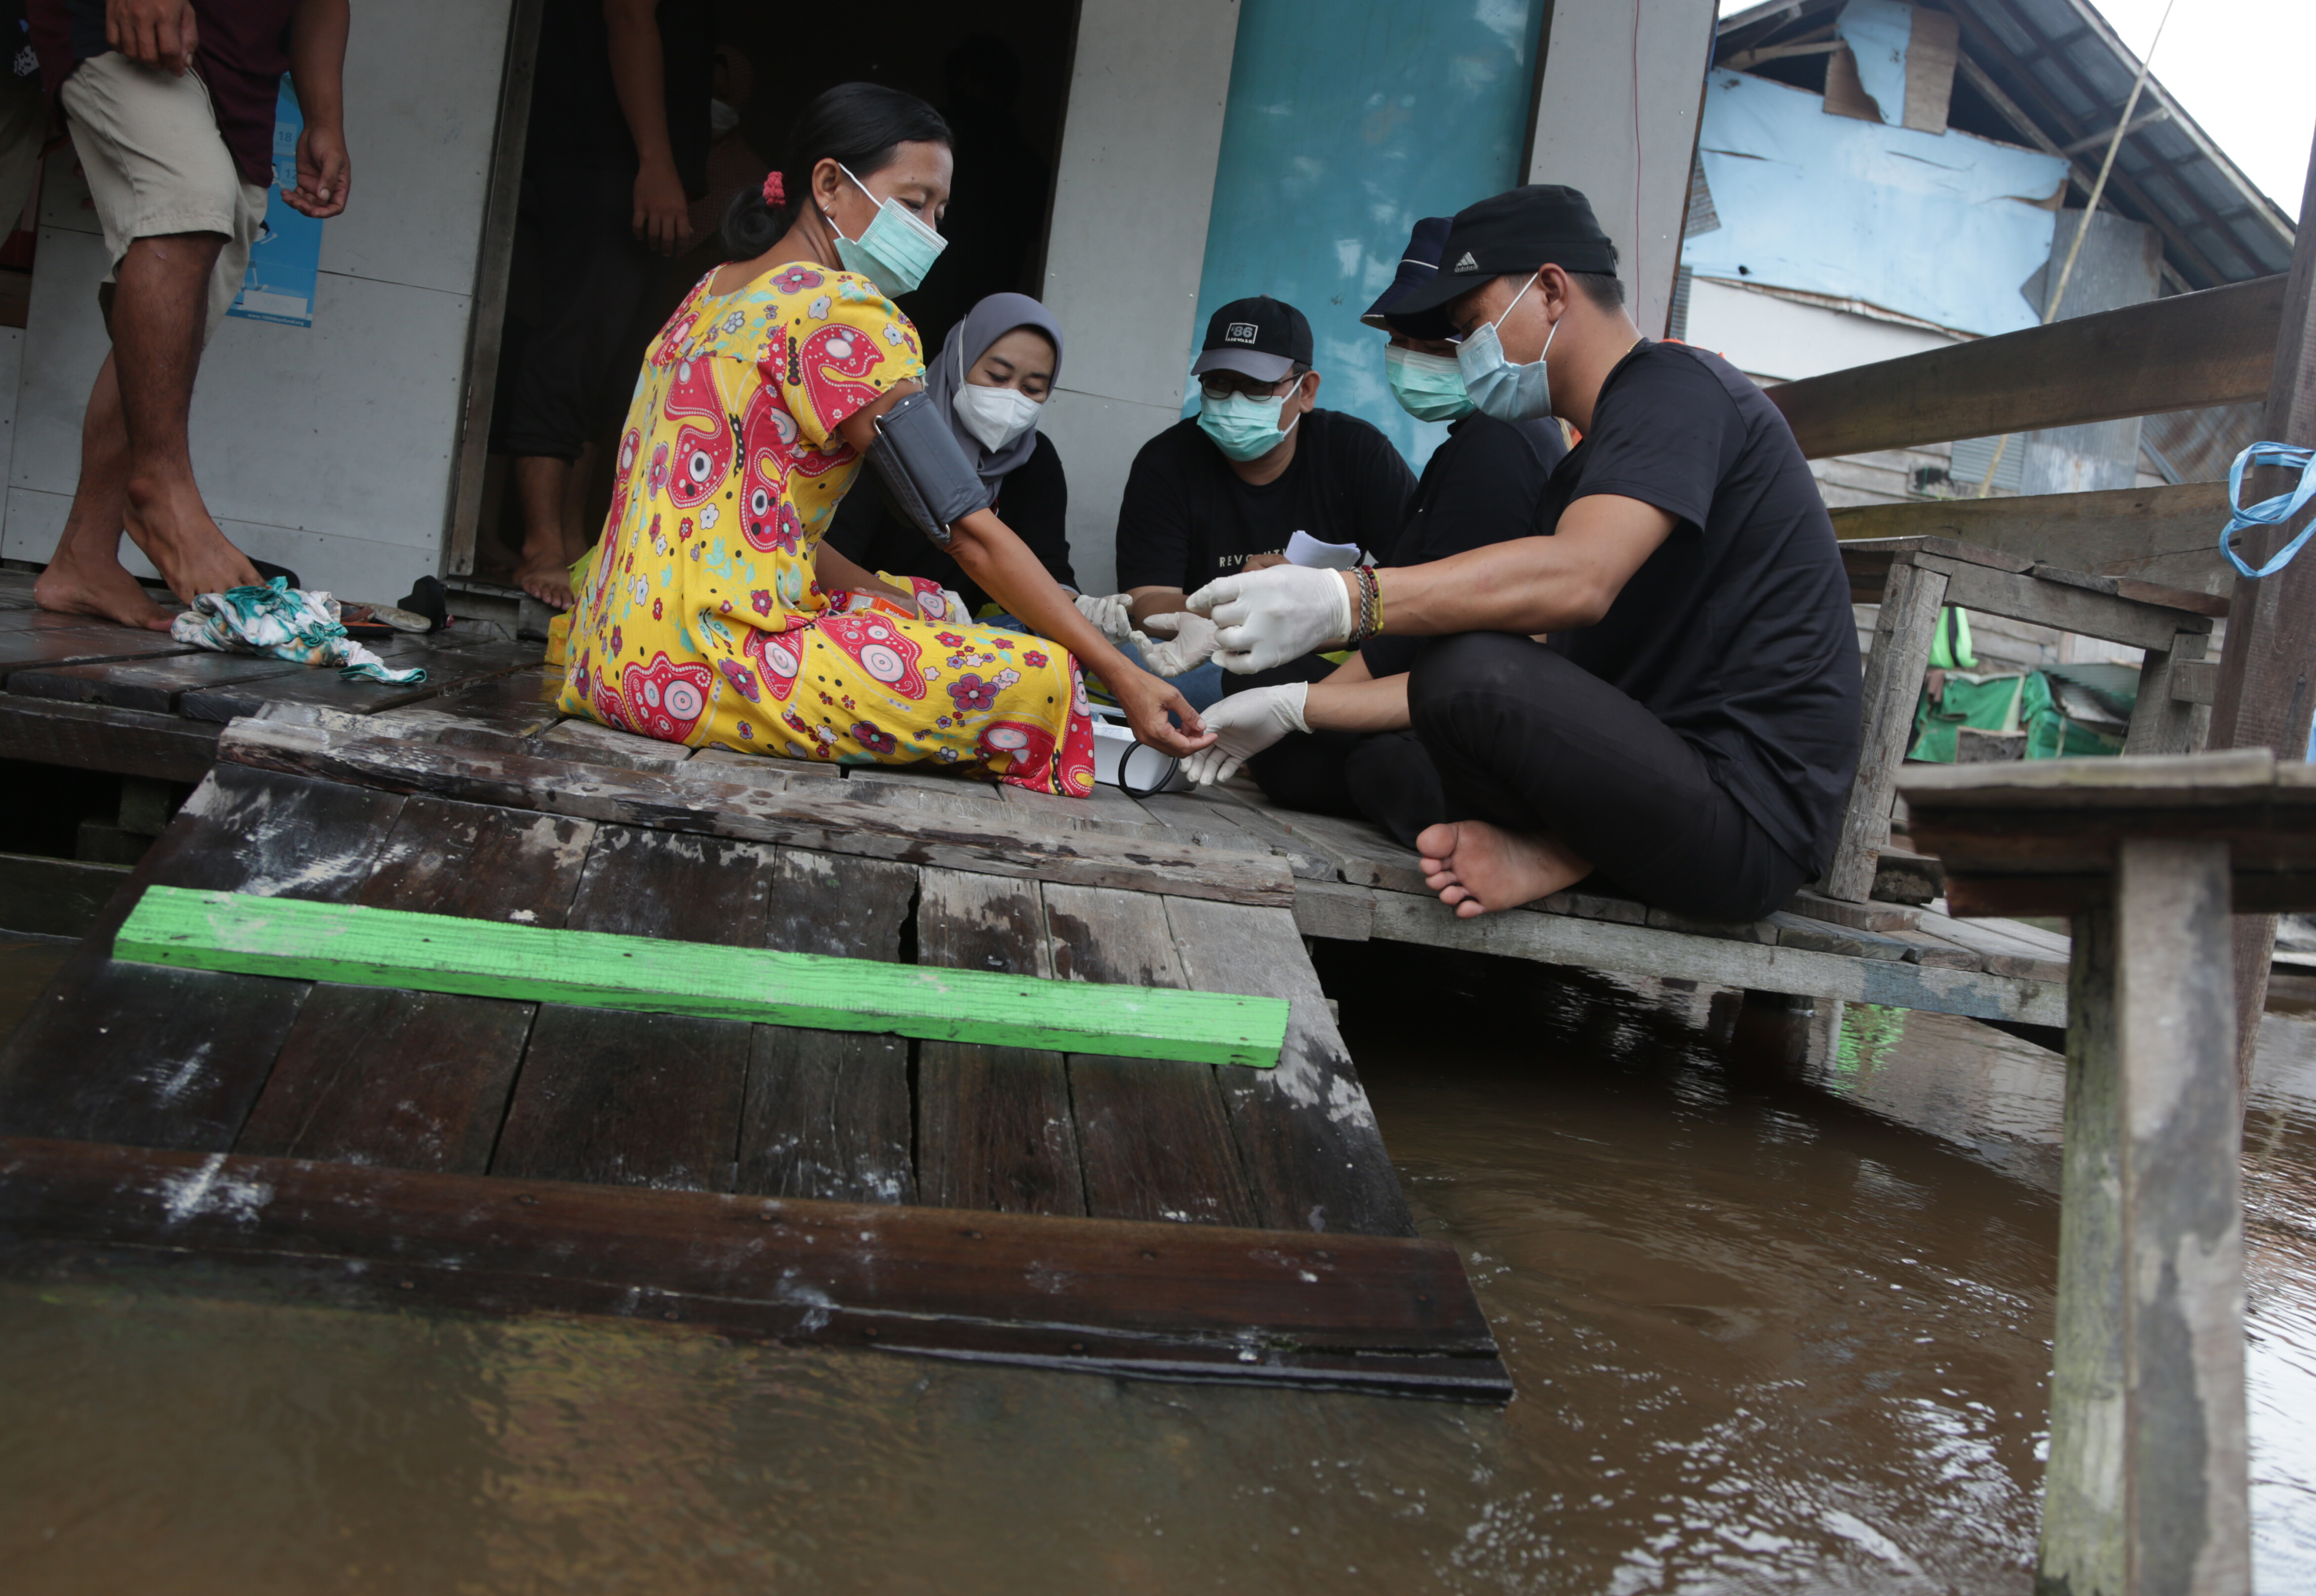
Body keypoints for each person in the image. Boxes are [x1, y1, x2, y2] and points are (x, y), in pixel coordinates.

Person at [1187, 184, 1862, 925]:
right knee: (1390, 735)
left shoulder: (1676, 388)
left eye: (1471, 324)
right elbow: (1530, 677)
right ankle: (1563, 849)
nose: (1467, 351)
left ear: (1548, 291)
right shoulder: (1586, 467)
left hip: (1748, 824)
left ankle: (1562, 851)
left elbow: (1579, 580)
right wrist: (1297, 706)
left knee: (1461, 667)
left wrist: (1345, 600)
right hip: (1662, 790)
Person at [558, 81, 1209, 793]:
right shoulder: (840, 312)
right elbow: (966, 528)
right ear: (829, 185)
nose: (930, 229)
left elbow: (758, 526)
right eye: (912, 203)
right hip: (708, 670)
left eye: (939, 210)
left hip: (609, 656)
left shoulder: (711, 293)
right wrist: (1117, 671)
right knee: (1038, 675)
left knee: (922, 601)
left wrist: (887, 600)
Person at [1194, 216, 1567, 837]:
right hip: (1430, 680)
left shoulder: (1495, 446)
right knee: (1258, 685)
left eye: (1437, 344)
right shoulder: (1474, 443)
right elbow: (1411, 590)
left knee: (1330, 745)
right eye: (1400, 342)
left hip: (1458, 699)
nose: (1409, 362)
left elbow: (1433, 618)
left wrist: (1305, 706)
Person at [27, 0, 351, 630]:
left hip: (241, 74)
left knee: (194, 293)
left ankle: (84, 557)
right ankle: (162, 489)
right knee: (189, 198)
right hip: (129, 26)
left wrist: (325, 118)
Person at [499, 0, 714, 611]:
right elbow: (628, 17)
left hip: (633, 167)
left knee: (616, 366)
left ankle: (570, 536)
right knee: (573, 342)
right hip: (604, 159)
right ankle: (540, 541)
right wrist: (654, 160)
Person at [1115, 294, 1414, 653]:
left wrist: (1319, 604)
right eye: (1218, 382)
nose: (1233, 400)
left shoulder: (1358, 452)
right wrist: (1232, 604)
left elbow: (1418, 578)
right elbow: (1147, 602)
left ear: (1305, 390)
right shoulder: (1167, 462)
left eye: (1258, 385)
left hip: (1330, 651)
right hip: (1215, 651)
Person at [824, 290, 1075, 617]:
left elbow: (1048, 570)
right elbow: (825, 552)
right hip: (860, 620)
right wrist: (913, 609)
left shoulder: (1035, 460)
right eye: (998, 377)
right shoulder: (891, 431)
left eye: (1032, 389)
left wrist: (1083, 611)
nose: (1011, 397)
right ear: (960, 360)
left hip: (961, 645)